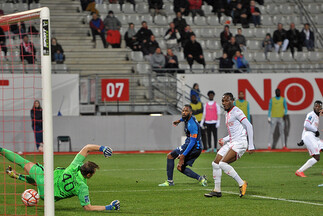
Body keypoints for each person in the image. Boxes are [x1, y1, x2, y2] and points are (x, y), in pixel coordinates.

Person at [2, 144, 120, 211]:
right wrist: (109, 207)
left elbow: (87, 148)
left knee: (24, 163)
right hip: (47, 196)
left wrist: (103, 148)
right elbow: (88, 208)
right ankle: (17, 176)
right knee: (44, 182)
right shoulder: (82, 187)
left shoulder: (74, 166)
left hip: (44, 180)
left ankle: (1, 150)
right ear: (88, 175)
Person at [204, 92, 254, 198]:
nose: (224, 103)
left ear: (232, 101)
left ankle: (242, 183)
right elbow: (234, 132)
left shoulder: (236, 111)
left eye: (227, 100)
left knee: (222, 164)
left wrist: (251, 145)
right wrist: (225, 139)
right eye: (223, 101)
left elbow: (248, 126)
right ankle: (217, 190)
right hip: (232, 142)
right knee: (215, 163)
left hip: (240, 143)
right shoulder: (227, 113)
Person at [158, 105, 207, 187]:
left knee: (170, 156)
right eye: (183, 110)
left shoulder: (192, 125)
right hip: (194, 146)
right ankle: (201, 178)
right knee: (180, 167)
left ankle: (170, 181)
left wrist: (183, 155)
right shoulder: (188, 118)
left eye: (186, 111)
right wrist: (178, 121)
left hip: (194, 147)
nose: (184, 112)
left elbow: (192, 141)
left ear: (190, 113)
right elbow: (184, 118)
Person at [295, 100, 323, 177]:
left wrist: (302, 139)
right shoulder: (311, 114)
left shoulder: (317, 115)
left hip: (313, 137)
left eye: (319, 107)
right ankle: (299, 171)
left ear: (321, 108)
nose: (317, 108)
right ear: (313, 107)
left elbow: (305, 129)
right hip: (310, 136)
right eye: (316, 106)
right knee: (317, 157)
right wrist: (315, 130)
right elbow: (306, 125)